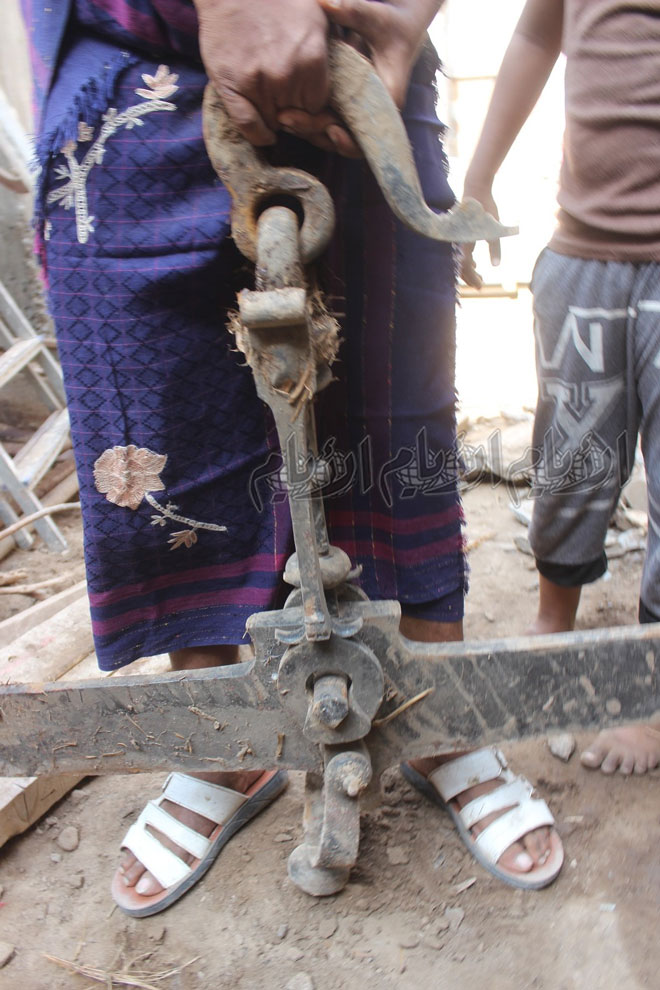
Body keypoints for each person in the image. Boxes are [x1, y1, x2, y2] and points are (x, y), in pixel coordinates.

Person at [22, 0, 562, 916]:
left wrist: (405, 16)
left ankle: (436, 715)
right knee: (163, 431)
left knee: (395, 411)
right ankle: (223, 744)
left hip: (359, 60)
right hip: (136, 68)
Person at [461, 0, 660, 777]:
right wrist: (480, 175)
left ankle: (650, 688)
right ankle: (555, 619)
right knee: (571, 459)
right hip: (583, 251)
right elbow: (535, 32)